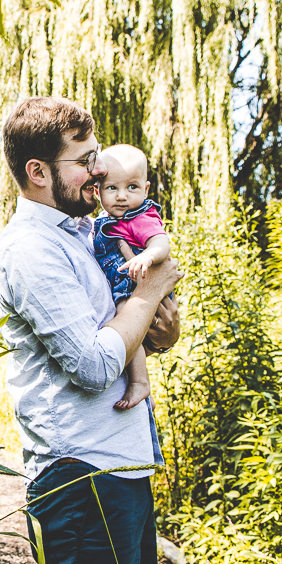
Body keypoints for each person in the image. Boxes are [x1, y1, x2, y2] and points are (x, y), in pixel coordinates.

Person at [0, 97, 183, 564]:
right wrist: (152, 292)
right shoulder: (30, 250)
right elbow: (95, 365)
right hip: (81, 477)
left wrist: (161, 325)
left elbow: (129, 332)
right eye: (85, 159)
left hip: (121, 470)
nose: (100, 170)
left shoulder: (81, 236)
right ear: (39, 172)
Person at [94, 144, 173, 411]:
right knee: (125, 326)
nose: (122, 197)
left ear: (146, 189)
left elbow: (162, 245)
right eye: (112, 188)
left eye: (132, 187)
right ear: (98, 191)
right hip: (127, 286)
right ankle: (140, 383)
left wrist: (147, 257)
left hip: (138, 281)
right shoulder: (101, 222)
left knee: (124, 321)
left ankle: (140, 382)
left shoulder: (140, 217)